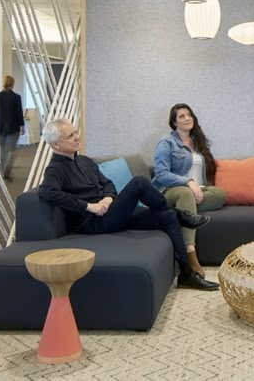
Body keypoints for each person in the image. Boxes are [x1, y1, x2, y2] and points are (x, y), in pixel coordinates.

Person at [38, 118, 219, 291]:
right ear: (56, 145)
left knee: (167, 216)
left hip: (111, 212)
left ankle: (186, 275)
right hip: (93, 222)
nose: (77, 137)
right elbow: (47, 192)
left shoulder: (84, 161)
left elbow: (108, 184)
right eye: (70, 136)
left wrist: (108, 198)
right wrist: (88, 206)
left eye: (75, 132)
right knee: (139, 182)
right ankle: (181, 214)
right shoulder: (56, 168)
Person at [152, 103, 226, 278]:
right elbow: (161, 174)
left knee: (220, 193)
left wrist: (196, 187)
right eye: (181, 116)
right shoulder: (166, 142)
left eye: (189, 114)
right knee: (185, 194)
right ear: (174, 122)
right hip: (170, 191)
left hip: (197, 191)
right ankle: (190, 255)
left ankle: (182, 210)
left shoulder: (197, 142)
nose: (187, 118)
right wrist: (188, 182)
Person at [0, 75, 25, 180]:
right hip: (13, 126)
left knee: (3, 149)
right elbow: (19, 113)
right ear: (12, 84)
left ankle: (4, 171)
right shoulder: (16, 97)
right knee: (12, 150)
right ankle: (6, 171)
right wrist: (22, 125)